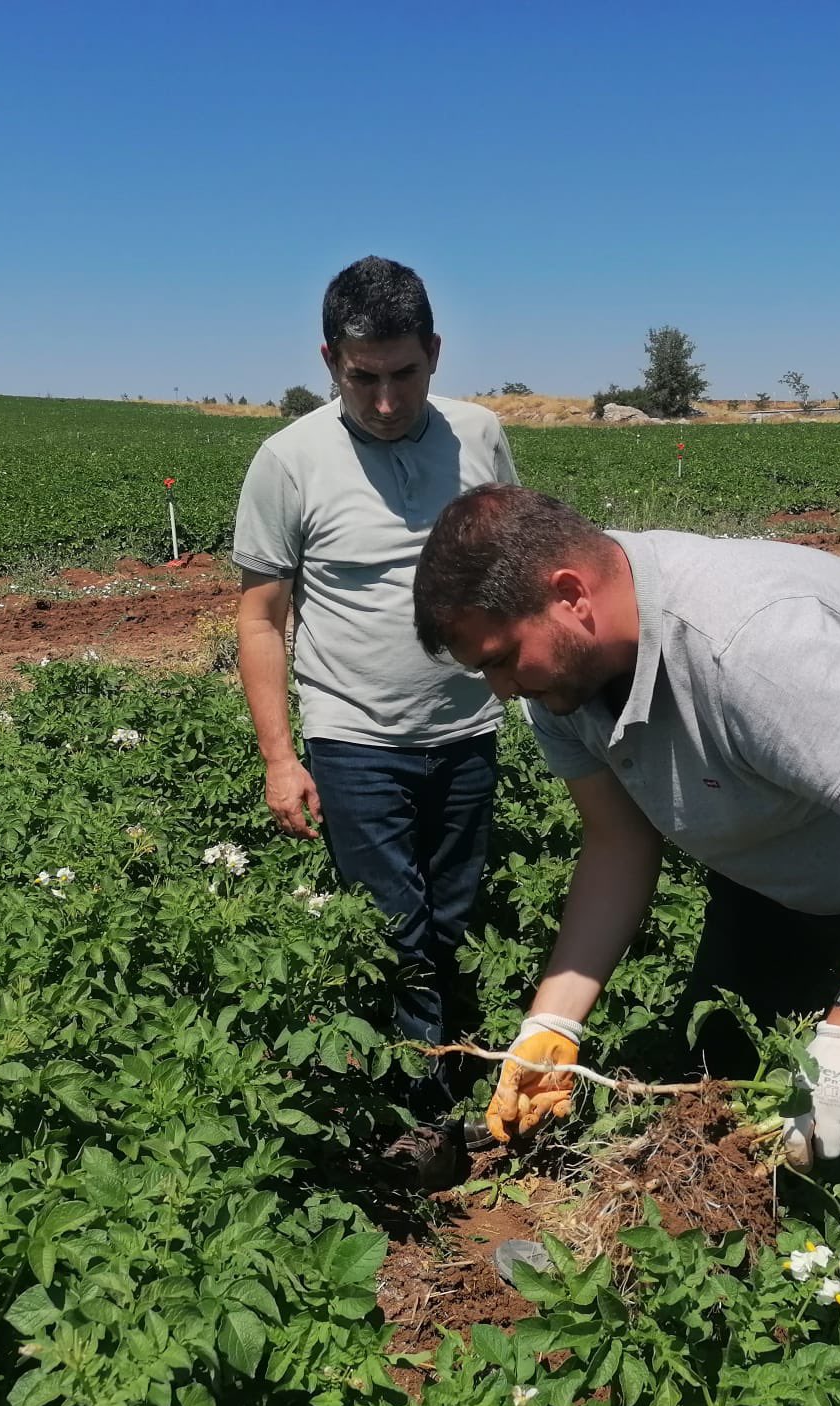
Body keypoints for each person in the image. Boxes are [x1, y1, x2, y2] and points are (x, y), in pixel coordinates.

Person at [411, 484, 840, 1168]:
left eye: (503, 658)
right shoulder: (563, 682)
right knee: (715, 1116)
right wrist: (553, 1022)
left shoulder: (744, 640)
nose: (502, 690)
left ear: (571, 594)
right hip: (778, 873)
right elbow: (618, 840)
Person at [232, 257, 518, 1182]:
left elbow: (511, 570)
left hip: (468, 728)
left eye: (405, 374)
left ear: (435, 352)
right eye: (363, 377)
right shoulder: (289, 461)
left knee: (460, 917)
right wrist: (281, 757)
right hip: (354, 735)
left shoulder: (482, 437)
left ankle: (459, 1078)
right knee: (397, 926)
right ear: (330, 360)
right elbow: (261, 618)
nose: (387, 401)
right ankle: (414, 1118)